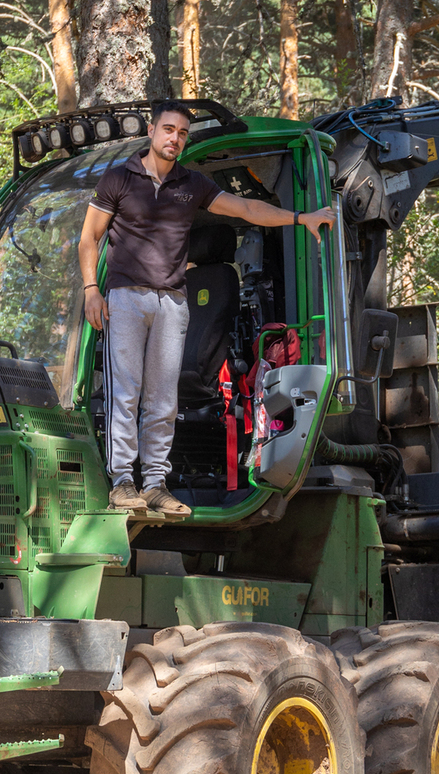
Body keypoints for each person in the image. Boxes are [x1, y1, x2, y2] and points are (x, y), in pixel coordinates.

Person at [78, 102, 336, 514]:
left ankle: (156, 484)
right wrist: (92, 289)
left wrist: (300, 217)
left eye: (181, 133)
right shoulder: (118, 179)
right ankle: (123, 482)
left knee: (163, 400)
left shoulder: (191, 184)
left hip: (172, 302)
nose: (174, 139)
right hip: (126, 298)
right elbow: (89, 238)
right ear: (151, 130)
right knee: (125, 394)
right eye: (168, 130)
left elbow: (247, 208)